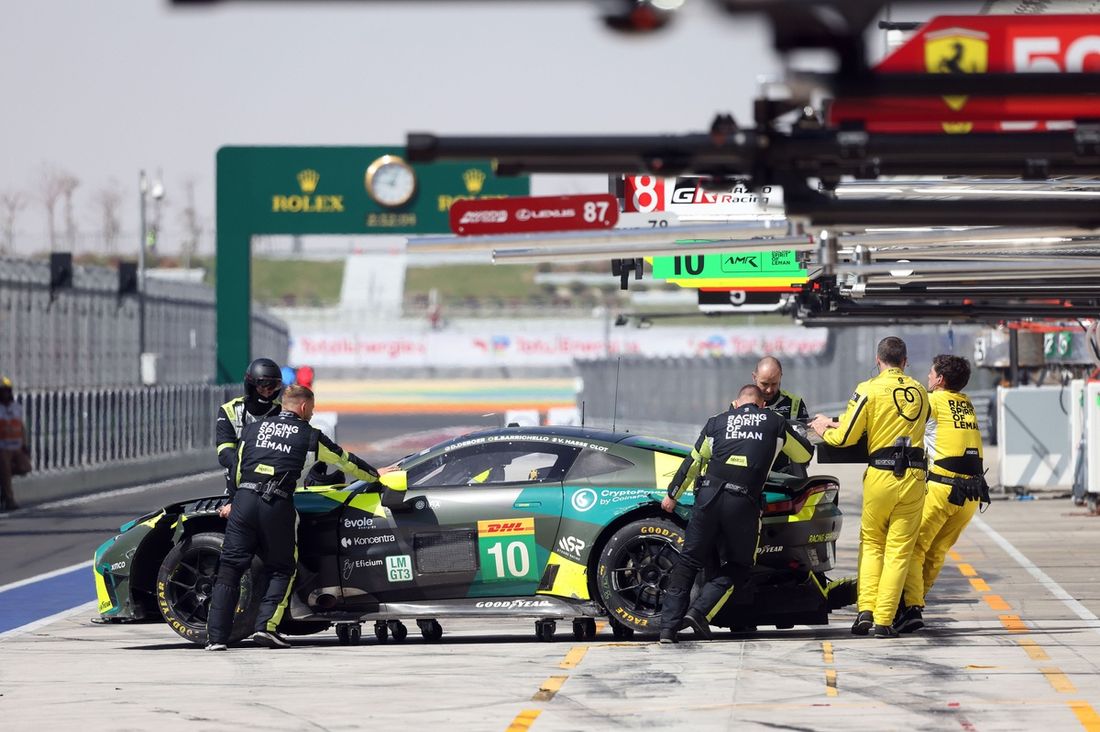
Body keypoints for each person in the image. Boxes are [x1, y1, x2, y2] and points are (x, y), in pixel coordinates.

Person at [205, 385, 383, 651]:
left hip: (243, 501)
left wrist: (234, 501)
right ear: (303, 407)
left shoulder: (254, 429)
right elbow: (346, 461)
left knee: (230, 568)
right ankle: (266, 627)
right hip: (275, 503)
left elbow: (237, 471)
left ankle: (215, 638)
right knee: (282, 567)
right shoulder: (309, 434)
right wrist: (376, 475)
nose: (312, 413)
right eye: (311, 408)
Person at [659, 383, 814, 644]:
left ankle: (667, 630)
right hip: (743, 502)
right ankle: (699, 612)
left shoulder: (716, 422)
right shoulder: (774, 421)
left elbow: (693, 462)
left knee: (688, 561)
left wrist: (672, 494)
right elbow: (805, 453)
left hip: (708, 498)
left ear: (735, 403)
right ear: (762, 404)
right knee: (740, 565)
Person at [810, 336, 930, 639]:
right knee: (899, 552)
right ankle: (884, 621)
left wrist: (825, 429)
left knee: (873, 544)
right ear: (904, 361)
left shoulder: (868, 388)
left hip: (881, 476)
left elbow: (848, 436)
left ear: (878, 360)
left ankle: (865, 610)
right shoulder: (920, 391)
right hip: (914, 477)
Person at [895, 355, 987, 633]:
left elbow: (897, 423)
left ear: (940, 380)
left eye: (931, 373)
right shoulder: (967, 404)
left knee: (913, 548)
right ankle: (916, 603)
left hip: (943, 488)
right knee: (936, 552)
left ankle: (911, 607)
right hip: (972, 494)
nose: (927, 377)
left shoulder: (932, 401)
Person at [215, 358, 284, 495]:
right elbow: (224, 453)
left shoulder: (283, 413)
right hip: (239, 488)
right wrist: (254, 468)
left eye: (273, 386)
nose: (268, 391)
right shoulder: (229, 410)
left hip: (275, 488)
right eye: (264, 385)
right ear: (251, 384)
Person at [753, 356, 810, 477]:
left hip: (787, 474)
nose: (769, 390)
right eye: (764, 384)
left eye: (774, 384)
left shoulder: (795, 403)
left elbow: (806, 442)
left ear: (780, 377)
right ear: (754, 377)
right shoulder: (740, 404)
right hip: (752, 473)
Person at [0, 377, 32, 511]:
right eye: (3, 392)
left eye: (7, 391)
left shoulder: (17, 408)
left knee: (25, 468)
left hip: (17, 447)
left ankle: (2, 484)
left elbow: (22, 427)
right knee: (5, 471)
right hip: (2, 448)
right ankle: (9, 500)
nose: (5, 394)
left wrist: (25, 445)